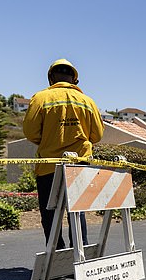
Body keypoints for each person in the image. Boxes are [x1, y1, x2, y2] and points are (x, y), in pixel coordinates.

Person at [23, 58, 104, 250]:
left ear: (51, 78)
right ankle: (79, 255)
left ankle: (56, 255)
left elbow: (30, 132)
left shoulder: (41, 98)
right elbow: (97, 135)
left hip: (48, 167)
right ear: (74, 80)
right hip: (79, 165)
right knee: (77, 212)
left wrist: (49, 141)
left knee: (50, 212)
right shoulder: (87, 101)